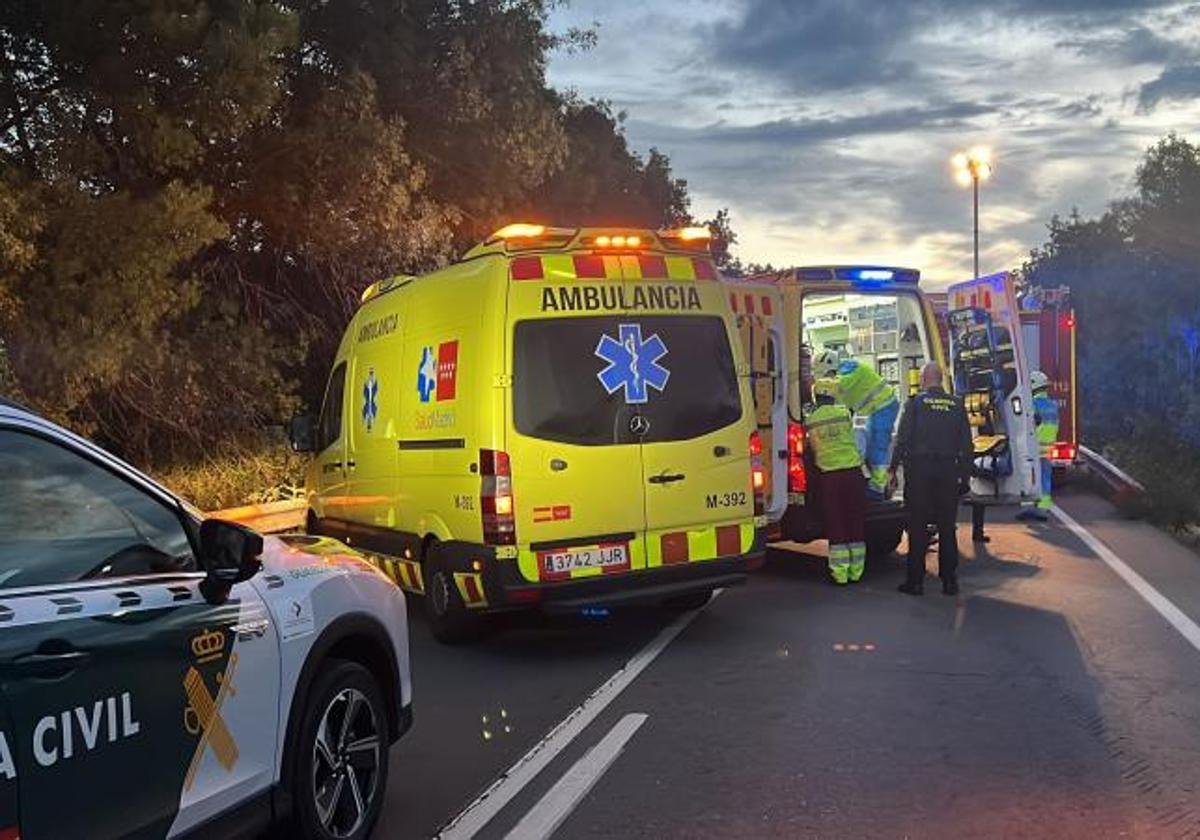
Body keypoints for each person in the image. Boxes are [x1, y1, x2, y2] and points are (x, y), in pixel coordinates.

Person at [889, 362, 974, 596]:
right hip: (948, 472)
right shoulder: (957, 404)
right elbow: (967, 446)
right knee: (947, 528)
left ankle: (915, 582)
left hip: (920, 473)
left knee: (917, 528)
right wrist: (964, 478)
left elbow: (903, 438)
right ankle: (950, 582)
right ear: (941, 380)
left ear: (925, 379)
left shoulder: (915, 403)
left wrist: (893, 469)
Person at [816, 350, 900, 500]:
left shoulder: (849, 370)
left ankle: (878, 488)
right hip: (871, 409)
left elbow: (838, 385)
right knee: (865, 444)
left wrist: (812, 383)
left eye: (827, 375)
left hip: (883, 404)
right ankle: (876, 482)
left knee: (877, 446)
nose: (826, 379)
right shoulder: (844, 374)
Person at [806, 379, 867, 585]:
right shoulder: (844, 414)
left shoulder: (811, 420)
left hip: (830, 478)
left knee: (836, 524)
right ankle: (857, 571)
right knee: (855, 522)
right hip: (853, 474)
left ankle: (840, 574)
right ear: (832, 396)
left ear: (816, 397)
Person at [1017, 370, 1060, 522]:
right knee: (1045, 479)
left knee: (1028, 477)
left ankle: (1028, 508)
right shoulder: (1053, 405)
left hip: (1034, 448)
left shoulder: (1032, 404)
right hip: (1048, 448)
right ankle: (1043, 508)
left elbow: (1026, 425)